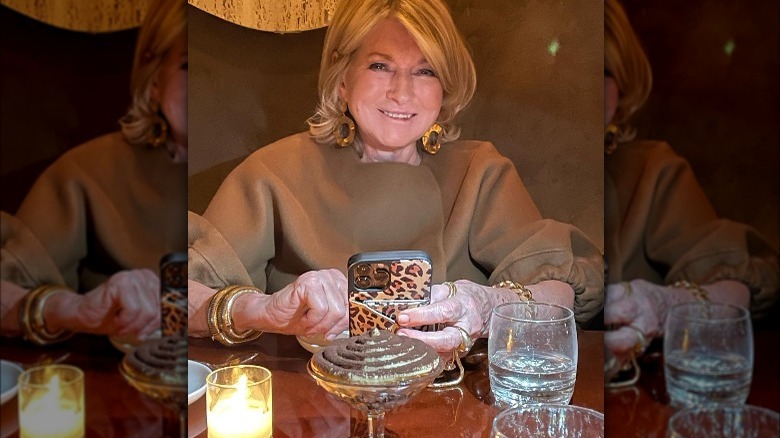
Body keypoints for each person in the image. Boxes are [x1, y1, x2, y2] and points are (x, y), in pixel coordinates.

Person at [187, 0, 603, 354]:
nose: (402, 93)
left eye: (425, 72)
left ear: (446, 87)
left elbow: (565, 292)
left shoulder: (480, 171)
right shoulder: (272, 173)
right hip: (314, 408)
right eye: (380, 65)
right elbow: (173, 296)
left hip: (454, 407)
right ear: (343, 78)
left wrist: (489, 306)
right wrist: (261, 311)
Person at [603, 0, 778, 382]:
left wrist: (666, 306)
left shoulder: (653, 170)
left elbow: (742, 283)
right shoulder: (501, 166)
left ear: (622, 88)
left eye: (603, 72)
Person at [0, 0, 187, 345]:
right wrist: (72, 308)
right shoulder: (85, 173)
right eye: (188, 65)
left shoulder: (253, 172)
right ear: (154, 76)